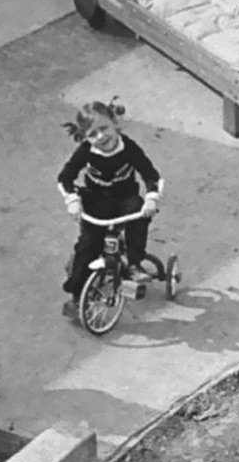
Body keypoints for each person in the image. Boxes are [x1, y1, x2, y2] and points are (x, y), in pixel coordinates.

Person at [57, 99, 163, 317]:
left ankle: (134, 263)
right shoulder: (86, 151)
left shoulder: (129, 148)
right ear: (85, 136)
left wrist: (152, 198)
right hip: (96, 202)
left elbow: (150, 174)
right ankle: (78, 294)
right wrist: (73, 200)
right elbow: (65, 177)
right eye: (92, 134)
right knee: (88, 245)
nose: (100, 137)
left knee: (138, 212)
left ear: (115, 123)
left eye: (104, 128)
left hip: (125, 199)